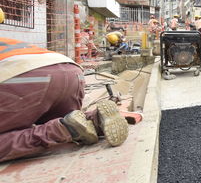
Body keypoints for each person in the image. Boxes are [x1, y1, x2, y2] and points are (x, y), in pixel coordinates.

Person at [0, 9, 129, 162]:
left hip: (24, 80)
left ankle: (61, 130)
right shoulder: (10, 42)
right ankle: (95, 119)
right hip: (70, 71)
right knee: (70, 118)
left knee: (55, 125)